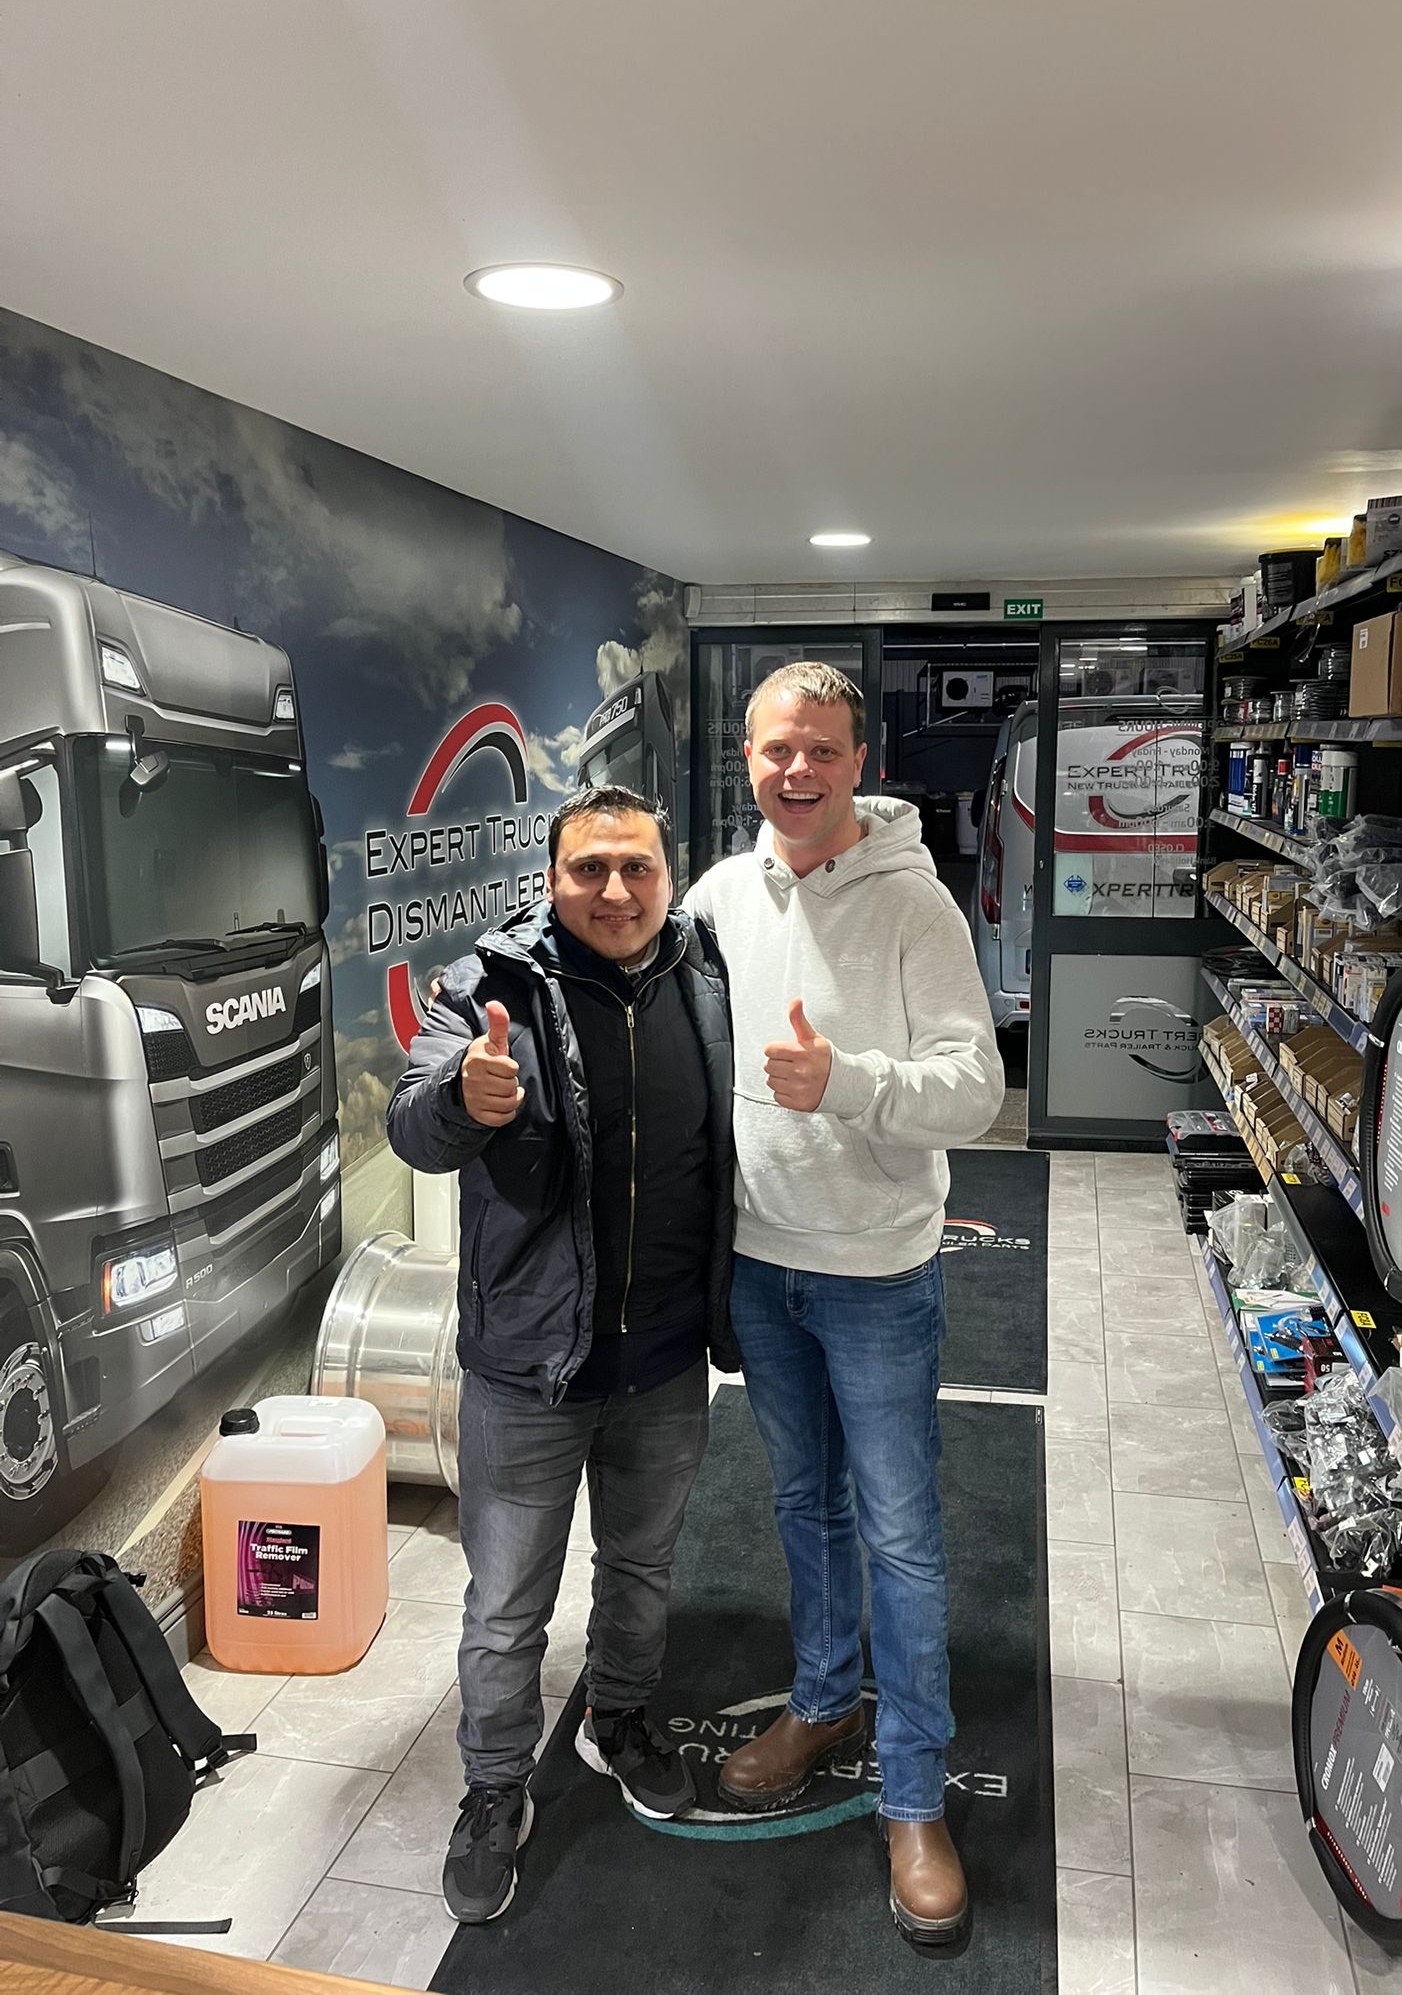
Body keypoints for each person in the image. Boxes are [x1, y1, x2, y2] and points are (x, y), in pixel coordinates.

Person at [684, 661, 1005, 1949]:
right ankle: (824, 1699)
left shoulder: (915, 903)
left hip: (877, 1271)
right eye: (778, 748)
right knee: (802, 1504)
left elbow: (975, 1086)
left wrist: (851, 1082)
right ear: (748, 758)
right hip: (762, 1267)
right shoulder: (718, 895)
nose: (799, 769)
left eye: (822, 748)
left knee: (902, 1534)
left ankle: (914, 1793)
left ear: (859, 760)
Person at [386, 785, 737, 1925]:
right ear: (551, 879)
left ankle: (619, 1717)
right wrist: (464, 1097)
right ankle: (496, 1786)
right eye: (590, 868)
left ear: (668, 875)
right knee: (505, 1606)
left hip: (665, 1357)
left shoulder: (704, 974)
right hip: (528, 1368)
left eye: (637, 867)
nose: (616, 890)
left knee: (641, 1568)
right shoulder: (489, 984)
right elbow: (410, 1124)